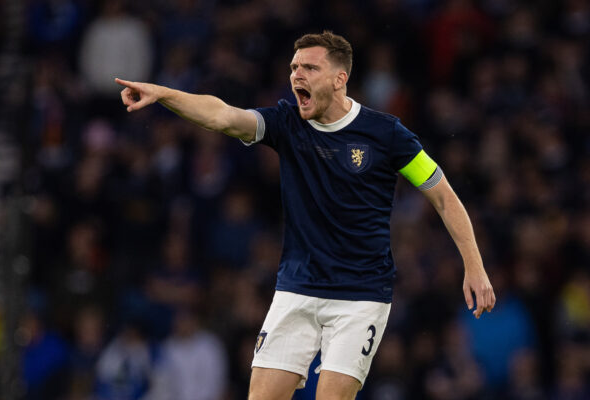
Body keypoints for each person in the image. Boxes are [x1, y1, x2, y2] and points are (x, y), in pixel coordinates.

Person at [115, 31, 496, 400]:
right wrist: (163, 93)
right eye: (294, 67)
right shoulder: (287, 124)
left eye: (310, 68)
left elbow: (444, 197)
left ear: (339, 78)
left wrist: (474, 266)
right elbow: (222, 116)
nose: (297, 74)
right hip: (296, 289)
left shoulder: (386, 134)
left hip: (360, 296)